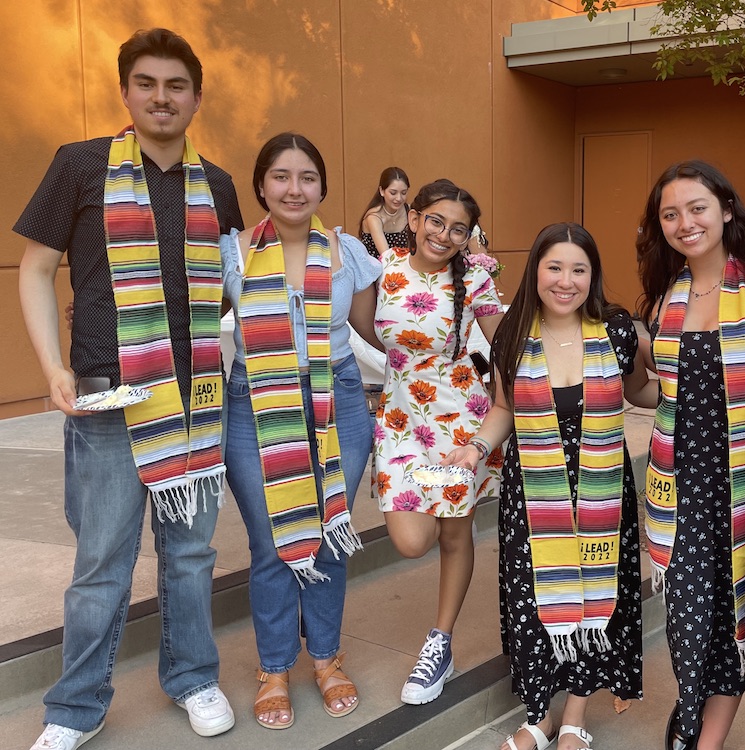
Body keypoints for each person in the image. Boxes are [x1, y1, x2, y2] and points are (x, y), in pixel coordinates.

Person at [15, 28, 243, 750]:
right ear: (125, 91)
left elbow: (238, 290)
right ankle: (75, 707)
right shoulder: (80, 166)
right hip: (111, 399)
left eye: (176, 85)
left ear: (196, 97)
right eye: (146, 83)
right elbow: (33, 268)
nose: (161, 97)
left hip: (198, 402)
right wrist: (51, 368)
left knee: (190, 556)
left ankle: (193, 676)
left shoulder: (220, 185)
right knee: (100, 566)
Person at [444, 222, 646, 750]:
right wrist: (474, 446)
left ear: (593, 276)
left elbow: (644, 389)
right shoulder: (512, 334)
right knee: (534, 599)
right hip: (533, 492)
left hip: (602, 489)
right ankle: (538, 715)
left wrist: (685, 384)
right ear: (536, 270)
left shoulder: (617, 331)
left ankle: (575, 715)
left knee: (595, 595)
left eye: (579, 269)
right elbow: (504, 410)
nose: (566, 280)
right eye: (555, 267)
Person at [627, 161, 745, 750]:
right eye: (669, 214)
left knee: (739, 616)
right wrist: (627, 371)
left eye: (696, 207)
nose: (684, 222)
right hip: (682, 484)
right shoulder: (665, 297)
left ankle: (705, 734)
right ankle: (692, 706)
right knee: (690, 621)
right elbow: (659, 395)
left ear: (725, 209)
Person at [221, 133, 381, 729]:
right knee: (269, 543)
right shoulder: (231, 254)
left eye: (307, 177)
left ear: (322, 186)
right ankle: (274, 667)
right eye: (282, 176)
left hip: (337, 398)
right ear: (261, 185)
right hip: (254, 401)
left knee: (328, 535)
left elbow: (374, 331)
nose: (295, 188)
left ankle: (326, 658)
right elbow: (199, 331)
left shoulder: (349, 254)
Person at [372, 178, 503, 705]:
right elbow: (360, 324)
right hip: (400, 423)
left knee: (452, 535)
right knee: (411, 539)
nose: (444, 235)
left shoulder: (473, 279)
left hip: (455, 424)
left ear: (469, 236)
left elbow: (508, 343)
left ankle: (440, 641)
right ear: (415, 216)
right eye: (435, 221)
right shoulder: (383, 273)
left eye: (458, 229)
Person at [359, 166, 410, 259]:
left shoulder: (409, 211)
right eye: (393, 193)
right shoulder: (374, 217)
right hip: (377, 267)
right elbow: (386, 256)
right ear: (382, 191)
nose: (399, 198)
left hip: (403, 265)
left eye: (403, 193)